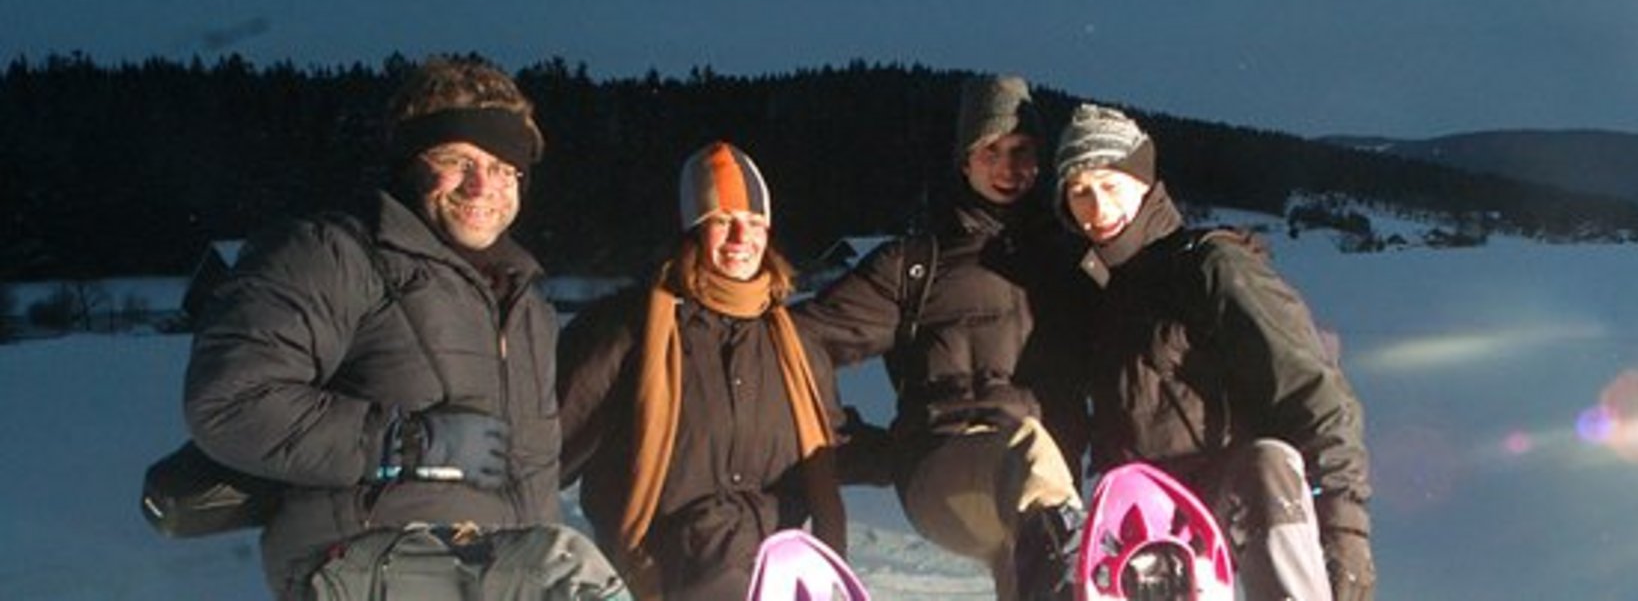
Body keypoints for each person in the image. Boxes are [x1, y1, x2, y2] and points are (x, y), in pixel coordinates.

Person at [183, 57, 588, 599]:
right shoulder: (333, 254)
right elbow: (229, 403)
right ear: (411, 162)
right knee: (575, 574)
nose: (481, 185)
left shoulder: (527, 308)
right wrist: (410, 442)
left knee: (564, 570)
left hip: (489, 569)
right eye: (457, 160)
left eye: (502, 166)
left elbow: (535, 473)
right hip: (357, 556)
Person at [1053, 103, 1378, 601]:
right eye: (1079, 192)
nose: (1097, 209)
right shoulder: (1095, 293)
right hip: (1146, 523)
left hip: (1237, 502)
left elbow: (1316, 395)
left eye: (1110, 184)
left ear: (1144, 181)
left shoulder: (1212, 267)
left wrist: (1345, 537)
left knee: (1265, 461)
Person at [794, 75, 1089, 601]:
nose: (1007, 167)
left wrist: (1216, 256)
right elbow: (801, 339)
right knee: (1033, 458)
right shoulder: (914, 265)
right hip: (945, 472)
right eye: (990, 150)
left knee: (1037, 558)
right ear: (964, 160)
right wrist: (852, 446)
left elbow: (1151, 315)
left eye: (1021, 150)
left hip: (1044, 496)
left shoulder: (1069, 261)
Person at [557, 141, 846, 600]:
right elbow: (548, 446)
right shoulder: (626, 330)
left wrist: (914, 452)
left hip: (777, 575)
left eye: (754, 223)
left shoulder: (797, 346)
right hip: (662, 573)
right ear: (691, 230)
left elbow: (832, 442)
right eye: (721, 221)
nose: (740, 238)